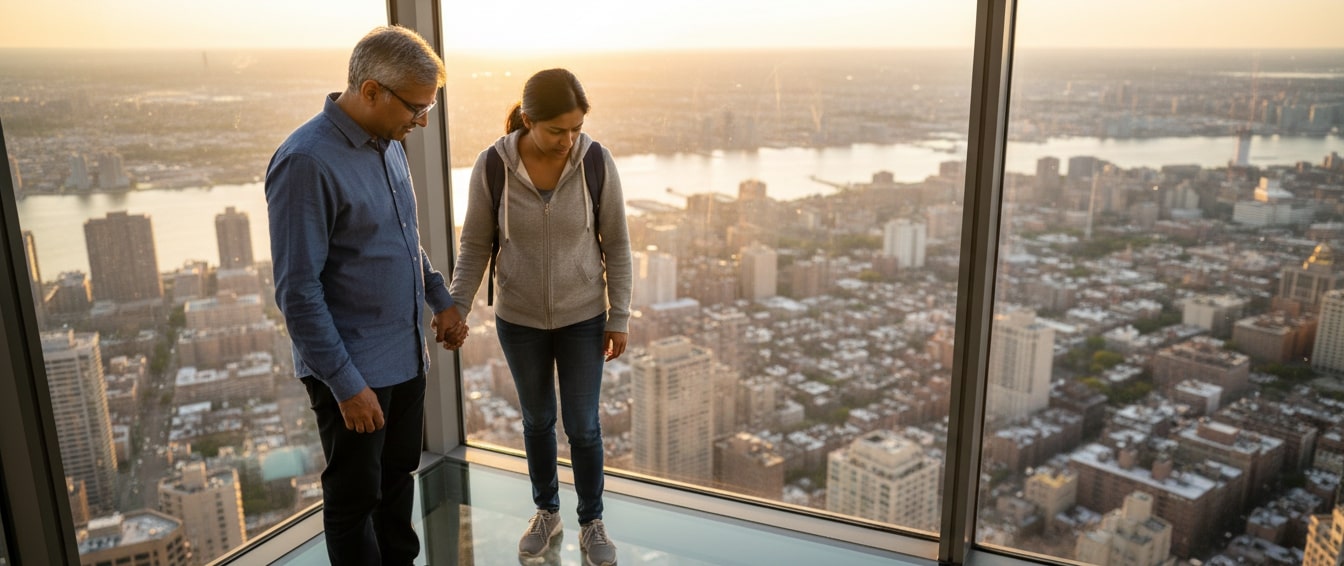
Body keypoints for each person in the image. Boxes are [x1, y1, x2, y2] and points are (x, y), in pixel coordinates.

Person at [265, 25, 467, 566]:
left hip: (405, 356)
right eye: (417, 108)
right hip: (354, 372)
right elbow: (298, 293)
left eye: (428, 108)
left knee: (398, 481)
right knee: (355, 501)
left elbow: (401, 240)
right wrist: (347, 385)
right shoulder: (306, 162)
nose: (422, 121)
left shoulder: (389, 143)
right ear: (372, 90)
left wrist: (439, 297)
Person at [448, 68, 631, 566]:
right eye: (556, 130)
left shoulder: (596, 162)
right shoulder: (492, 166)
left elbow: (616, 243)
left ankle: (591, 522)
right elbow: (474, 245)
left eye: (576, 129)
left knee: (583, 426)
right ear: (528, 120)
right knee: (537, 420)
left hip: (584, 316)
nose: (568, 141)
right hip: (519, 319)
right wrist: (457, 307)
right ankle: (547, 512)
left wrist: (619, 315)